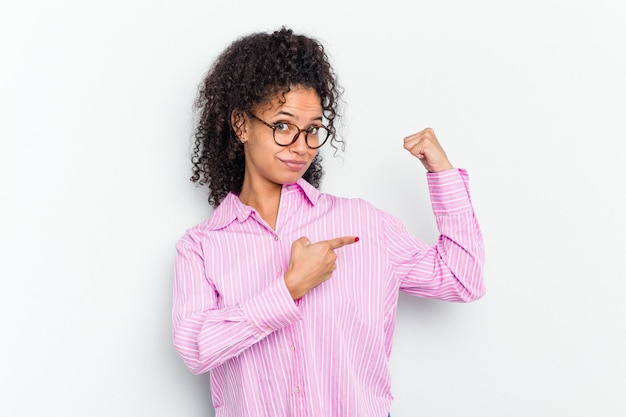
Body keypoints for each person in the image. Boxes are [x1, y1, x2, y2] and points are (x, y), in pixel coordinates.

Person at [173, 27, 485, 417]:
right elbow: (197, 348)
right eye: (283, 126)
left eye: (312, 130)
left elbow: (462, 278)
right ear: (241, 125)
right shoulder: (202, 246)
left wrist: (442, 173)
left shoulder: (363, 224)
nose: (301, 146)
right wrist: (288, 288)